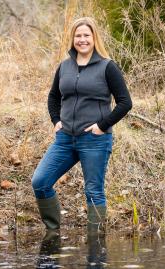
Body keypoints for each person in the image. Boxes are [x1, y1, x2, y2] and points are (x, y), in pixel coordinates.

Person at [31, 17, 132, 231]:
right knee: (40, 182)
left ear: (94, 38)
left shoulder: (107, 67)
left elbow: (125, 103)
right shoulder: (65, 66)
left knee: (94, 192)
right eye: (78, 36)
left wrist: (102, 126)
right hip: (65, 138)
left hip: (94, 140)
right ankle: (53, 235)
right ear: (72, 38)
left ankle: (96, 248)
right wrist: (56, 120)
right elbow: (53, 97)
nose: (82, 40)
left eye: (87, 35)